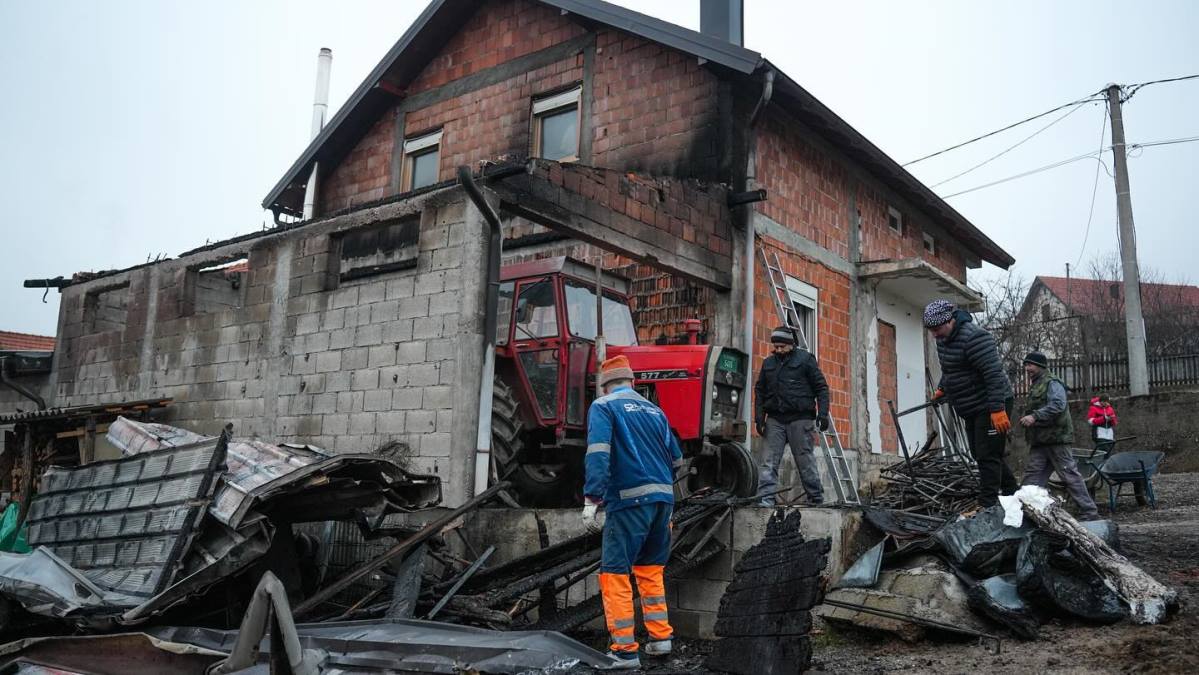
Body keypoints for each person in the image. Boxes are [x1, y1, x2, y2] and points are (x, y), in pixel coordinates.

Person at [583, 355, 681, 669]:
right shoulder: (656, 412)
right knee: (650, 571)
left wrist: (592, 498)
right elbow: (677, 460)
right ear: (633, 382)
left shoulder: (603, 407)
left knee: (615, 573)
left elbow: (598, 453)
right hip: (663, 501)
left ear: (605, 385)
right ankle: (661, 639)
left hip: (628, 501)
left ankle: (624, 651)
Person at [923, 299, 1018, 507]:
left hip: (992, 403)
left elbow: (993, 375)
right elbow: (951, 369)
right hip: (972, 406)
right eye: (932, 330)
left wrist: (997, 410)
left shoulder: (975, 338)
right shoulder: (943, 340)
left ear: (950, 321)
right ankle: (1014, 494)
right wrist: (943, 388)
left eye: (937, 329)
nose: (935, 334)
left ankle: (988, 505)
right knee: (980, 452)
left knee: (988, 454)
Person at [1018, 351, 1100, 520]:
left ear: (1040, 366)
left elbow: (1058, 405)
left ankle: (1089, 512)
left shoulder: (1052, 383)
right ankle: (1024, 511)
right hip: (1041, 441)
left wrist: (1034, 416)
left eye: (1030, 365)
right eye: (1026, 365)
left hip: (1056, 439)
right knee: (1032, 476)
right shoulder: (1037, 383)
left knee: (1069, 475)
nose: (1027, 368)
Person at [753, 326, 829, 506]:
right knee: (768, 461)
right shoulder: (768, 364)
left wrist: (823, 414)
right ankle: (765, 500)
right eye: (775, 347)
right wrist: (759, 418)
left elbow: (821, 388)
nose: (778, 350)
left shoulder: (806, 360)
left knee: (805, 461)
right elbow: (760, 391)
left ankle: (816, 499)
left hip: (801, 419)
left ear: (791, 344)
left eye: (782, 347)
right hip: (775, 419)